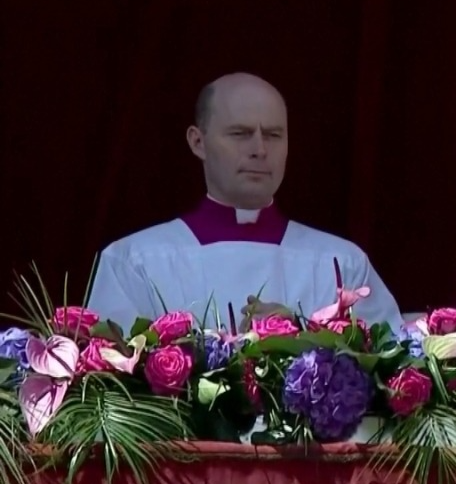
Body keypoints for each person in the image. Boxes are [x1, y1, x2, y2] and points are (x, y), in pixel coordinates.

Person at [87, 72, 402, 330]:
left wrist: (304, 332)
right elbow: (109, 390)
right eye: (240, 133)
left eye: (274, 135)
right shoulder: (134, 261)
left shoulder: (341, 263)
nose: (260, 149)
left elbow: (387, 379)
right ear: (198, 142)